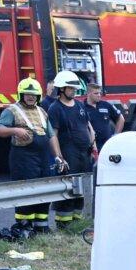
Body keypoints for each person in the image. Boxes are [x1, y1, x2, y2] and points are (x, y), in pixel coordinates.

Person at [0, 77, 65, 237]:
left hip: (43, 157)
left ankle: (42, 227)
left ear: (38, 96)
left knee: (44, 190)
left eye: (33, 94)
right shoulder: (11, 110)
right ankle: (24, 227)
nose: (30, 97)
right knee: (26, 192)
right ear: (21, 94)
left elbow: (51, 135)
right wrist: (15, 131)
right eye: (27, 94)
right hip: (23, 158)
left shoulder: (42, 111)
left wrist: (58, 157)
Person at [46, 70, 95, 224]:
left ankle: (77, 224)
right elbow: (52, 134)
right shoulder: (55, 108)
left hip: (84, 154)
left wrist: (93, 145)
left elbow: (89, 127)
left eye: (74, 88)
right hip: (68, 155)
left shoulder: (80, 105)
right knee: (69, 189)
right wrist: (59, 157)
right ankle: (64, 224)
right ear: (61, 89)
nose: (74, 91)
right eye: (70, 88)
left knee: (82, 190)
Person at [83, 82, 123, 152]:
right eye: (96, 93)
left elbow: (121, 119)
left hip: (107, 146)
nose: (99, 95)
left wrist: (115, 136)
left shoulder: (106, 105)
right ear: (88, 94)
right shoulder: (82, 107)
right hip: (91, 147)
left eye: (99, 93)